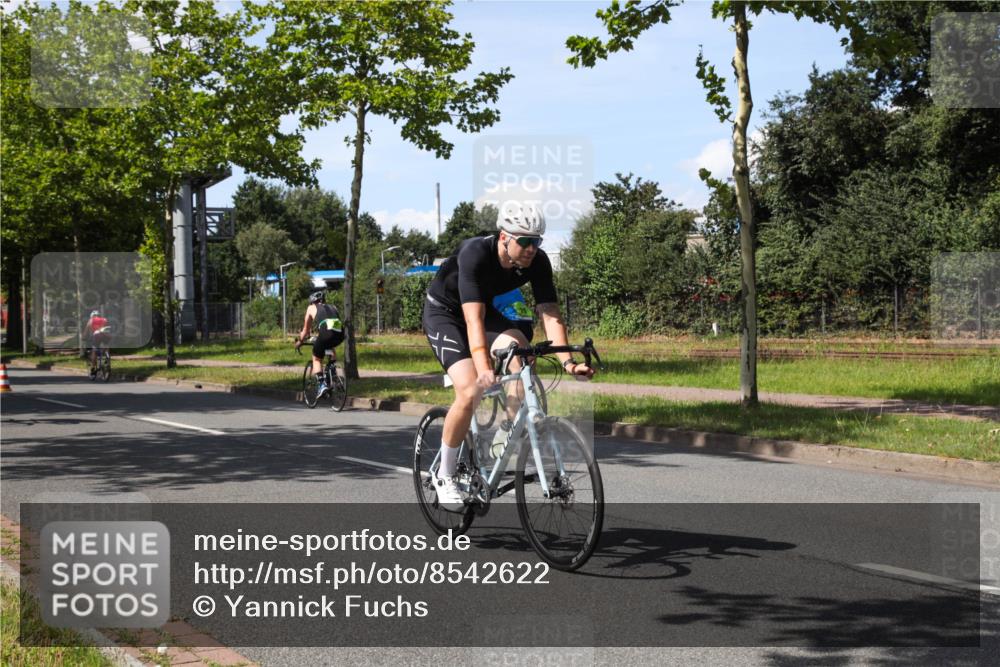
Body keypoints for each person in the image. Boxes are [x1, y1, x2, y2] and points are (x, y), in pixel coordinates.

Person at [423, 202, 595, 510]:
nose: (531, 249)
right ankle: (445, 475)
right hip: (445, 314)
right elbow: (472, 321)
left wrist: (568, 362)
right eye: (525, 241)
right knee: (470, 388)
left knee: (521, 352)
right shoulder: (475, 254)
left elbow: (550, 314)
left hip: (483, 313)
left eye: (537, 241)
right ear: (504, 237)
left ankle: (508, 427)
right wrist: (484, 368)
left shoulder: (537, 262)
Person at [294, 291, 344, 398]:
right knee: (330, 345)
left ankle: (322, 385)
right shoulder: (333, 307)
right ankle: (334, 375)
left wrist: (300, 341)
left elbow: (306, 331)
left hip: (326, 332)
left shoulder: (311, 308)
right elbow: (334, 324)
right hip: (340, 333)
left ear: (312, 301)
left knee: (316, 358)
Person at [83, 309, 111, 377]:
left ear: (92, 316)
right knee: (106, 345)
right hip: (106, 334)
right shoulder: (104, 319)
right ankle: (107, 357)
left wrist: (83, 338)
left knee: (94, 350)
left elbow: (86, 332)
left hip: (97, 335)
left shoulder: (91, 320)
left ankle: (92, 368)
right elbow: (108, 328)